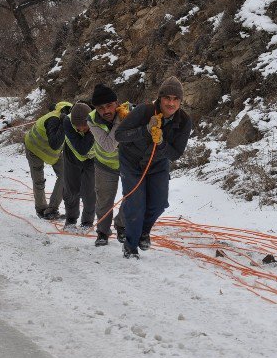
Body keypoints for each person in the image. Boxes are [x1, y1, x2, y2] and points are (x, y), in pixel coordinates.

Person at [115, 76, 192, 259]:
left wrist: (162, 142)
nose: (171, 103)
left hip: (157, 164)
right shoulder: (144, 111)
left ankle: (144, 231)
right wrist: (145, 131)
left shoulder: (184, 121)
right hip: (131, 162)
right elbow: (119, 135)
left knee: (159, 203)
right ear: (160, 98)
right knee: (135, 204)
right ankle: (130, 246)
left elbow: (176, 153)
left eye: (175, 99)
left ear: (180, 101)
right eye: (167, 98)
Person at [86, 84, 129, 246]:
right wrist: (120, 121)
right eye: (100, 108)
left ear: (117, 103)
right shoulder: (91, 120)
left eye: (109, 105)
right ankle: (103, 232)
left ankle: (122, 225)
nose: (106, 111)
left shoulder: (129, 112)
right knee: (104, 200)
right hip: (105, 164)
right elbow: (109, 146)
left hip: (128, 163)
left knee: (131, 196)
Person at [24, 101, 72, 220]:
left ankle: (52, 209)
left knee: (65, 175)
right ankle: (41, 209)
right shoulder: (53, 120)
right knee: (39, 181)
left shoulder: (70, 120)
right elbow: (55, 143)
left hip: (52, 154)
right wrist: (64, 124)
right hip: (34, 148)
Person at [62, 102, 96, 232]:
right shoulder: (67, 121)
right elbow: (81, 149)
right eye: (78, 128)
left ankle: (87, 222)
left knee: (90, 192)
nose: (81, 130)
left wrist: (92, 128)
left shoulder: (96, 120)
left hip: (92, 160)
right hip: (71, 157)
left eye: (85, 127)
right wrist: (91, 132)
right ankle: (70, 220)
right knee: (71, 190)